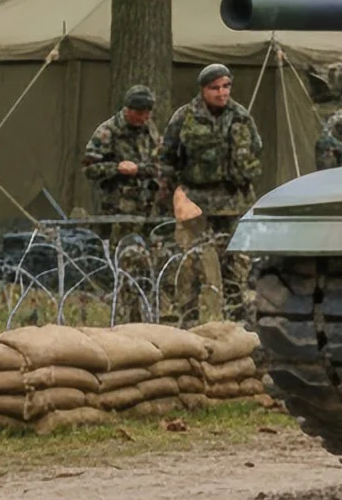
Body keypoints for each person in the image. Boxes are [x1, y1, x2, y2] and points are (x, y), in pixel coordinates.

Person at [159, 64, 263, 326]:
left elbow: (256, 149)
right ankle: (189, 321)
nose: (222, 92)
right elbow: (167, 158)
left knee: (236, 265)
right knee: (190, 264)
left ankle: (236, 321)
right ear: (203, 90)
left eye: (226, 86)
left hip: (234, 202)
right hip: (196, 202)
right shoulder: (185, 117)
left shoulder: (241, 116)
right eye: (215, 88)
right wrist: (176, 195)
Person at [82, 85, 166, 220]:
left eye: (147, 114)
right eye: (139, 114)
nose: (144, 118)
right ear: (127, 110)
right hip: (116, 209)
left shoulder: (149, 129)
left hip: (148, 207)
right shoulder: (107, 132)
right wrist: (117, 168)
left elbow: (160, 161)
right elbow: (88, 169)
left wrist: (140, 169)